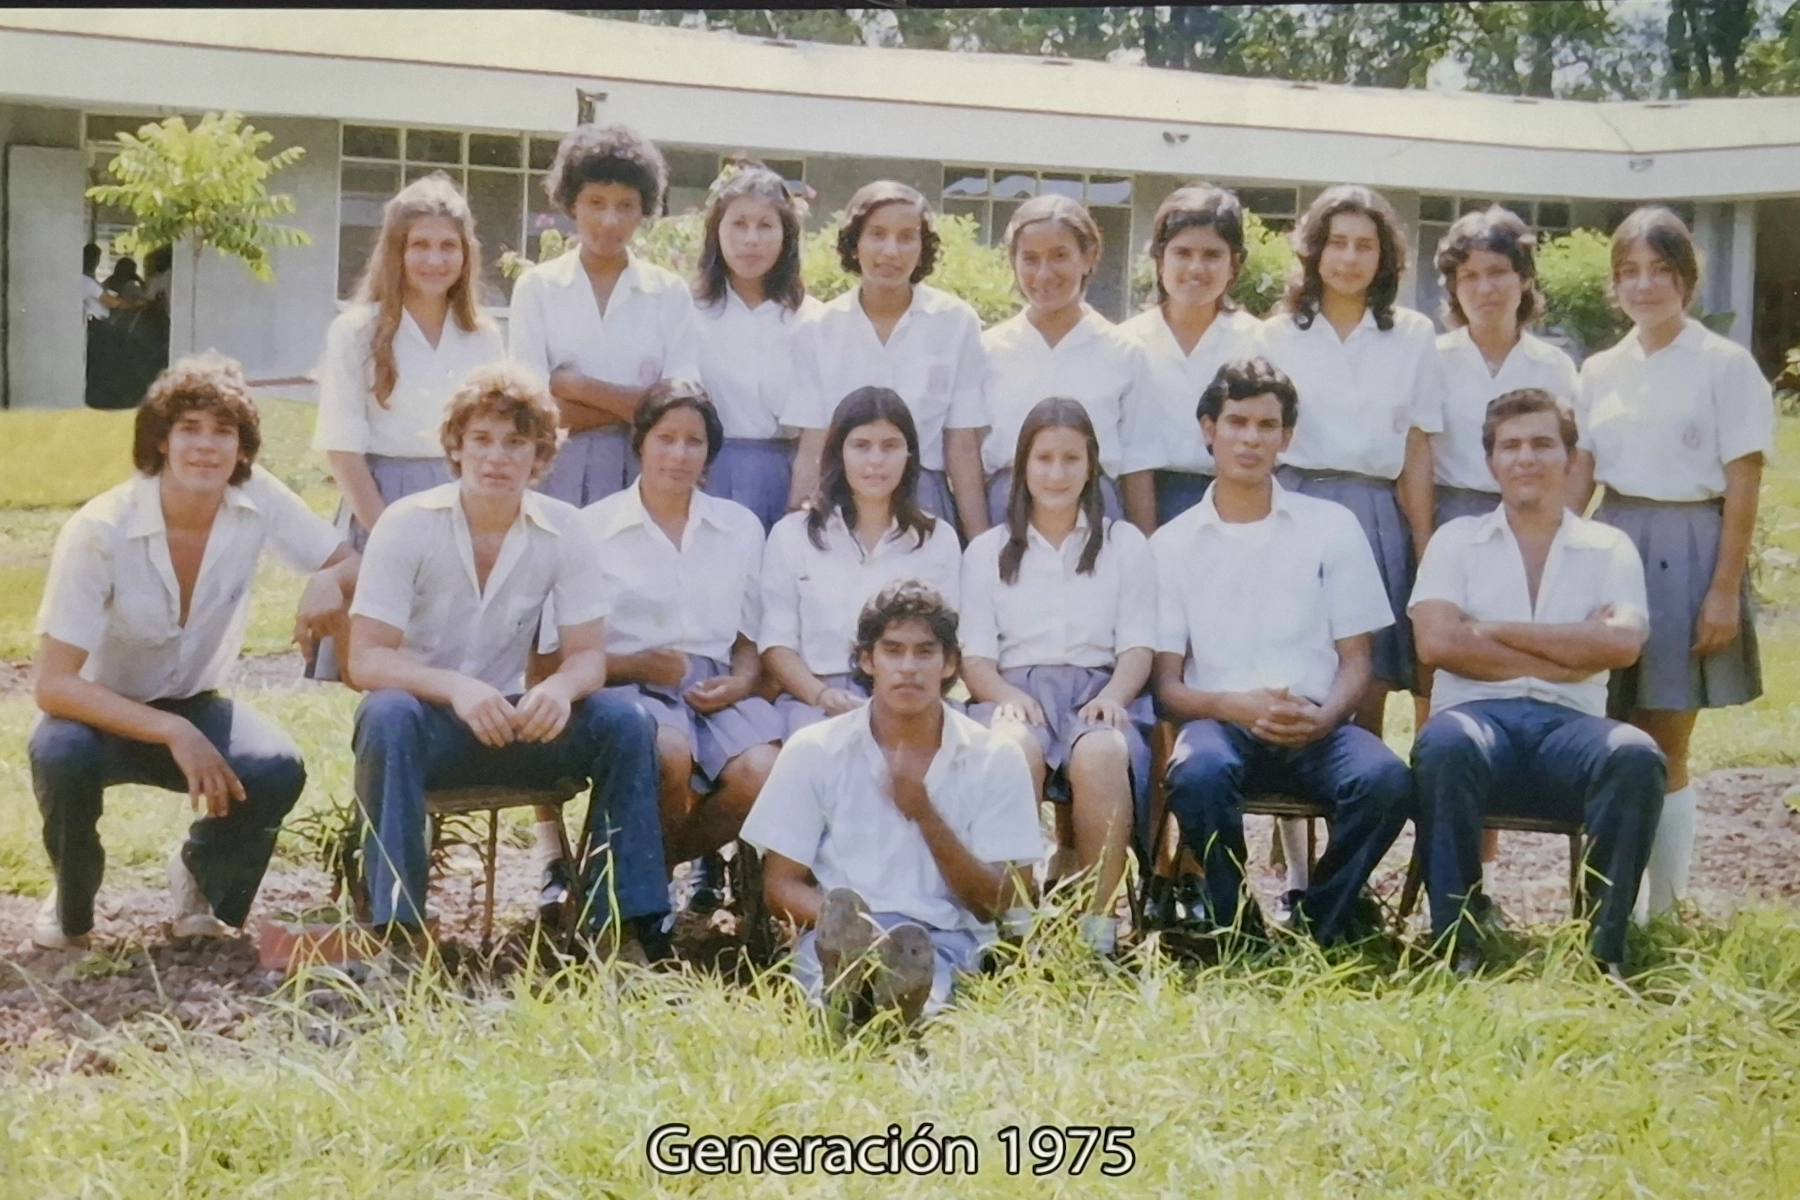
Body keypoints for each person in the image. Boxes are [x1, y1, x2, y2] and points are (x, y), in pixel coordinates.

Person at [28, 355, 358, 950]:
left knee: (276, 767)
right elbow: (54, 685)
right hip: (97, 715)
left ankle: (198, 875)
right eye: (189, 429)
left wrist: (328, 581)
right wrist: (174, 734)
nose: (207, 447)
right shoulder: (100, 528)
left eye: (223, 431)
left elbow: (350, 562)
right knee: (60, 756)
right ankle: (72, 900)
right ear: (160, 439)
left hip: (193, 703)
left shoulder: (255, 496)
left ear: (243, 445)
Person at [345, 363, 670, 957]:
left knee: (628, 722)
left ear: (540, 456)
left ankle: (616, 928)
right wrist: (455, 689)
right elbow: (365, 660)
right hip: (428, 729)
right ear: (456, 448)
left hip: (511, 724)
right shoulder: (406, 524)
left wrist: (559, 691)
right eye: (482, 440)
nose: (497, 458)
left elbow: (587, 658)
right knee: (386, 713)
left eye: (516, 443)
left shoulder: (564, 530)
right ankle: (400, 933)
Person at [1152, 356, 1411, 944]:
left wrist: (1325, 716)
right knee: (1195, 774)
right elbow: (1168, 688)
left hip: (1313, 725)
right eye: (1237, 421)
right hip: (1223, 725)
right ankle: (1235, 923)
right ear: (1208, 428)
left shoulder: (1332, 526)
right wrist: (1235, 707)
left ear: (1287, 437)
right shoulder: (1171, 545)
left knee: (1386, 780)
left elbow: (1357, 661)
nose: (1250, 438)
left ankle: (1321, 919)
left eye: (1267, 426)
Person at [1411, 388, 1665, 978]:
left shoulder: (1608, 546)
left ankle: (1604, 952)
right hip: (1475, 721)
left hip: (1570, 728)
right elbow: (1438, 643)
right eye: (1511, 446)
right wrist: (1568, 646)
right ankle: (1456, 944)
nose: (1527, 458)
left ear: (1570, 459)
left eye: (1543, 444)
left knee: (1635, 755)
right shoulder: (1456, 539)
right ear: (1491, 461)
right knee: (1443, 745)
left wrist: (1492, 630)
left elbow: (1622, 644)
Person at [1571, 206, 1775, 921]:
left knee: (1665, 737)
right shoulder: (1599, 369)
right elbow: (1581, 472)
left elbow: (1744, 481)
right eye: (1629, 272)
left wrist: (1722, 591)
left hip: (1690, 545)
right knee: (1602, 723)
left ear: (1686, 278)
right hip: (1614, 537)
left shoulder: (1725, 363)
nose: (1645, 285)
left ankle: (1662, 906)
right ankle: (1604, 901)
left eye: (1660, 270)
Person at [741, 581, 1040, 1024]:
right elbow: (780, 886)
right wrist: (863, 936)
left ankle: (900, 1014)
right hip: (839, 937)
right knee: (828, 994)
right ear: (867, 660)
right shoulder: (816, 748)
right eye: (892, 650)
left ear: (949, 663)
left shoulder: (993, 756)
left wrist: (922, 810)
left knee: (923, 993)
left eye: (924, 652)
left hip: (943, 938)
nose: (908, 668)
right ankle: (846, 1006)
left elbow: (1001, 902)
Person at [569, 380, 782, 913]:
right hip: (624, 682)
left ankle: (643, 871)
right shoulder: (592, 528)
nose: (679, 454)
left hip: (713, 685)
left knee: (762, 772)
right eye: (666, 438)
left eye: (694, 441)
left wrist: (741, 680)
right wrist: (636, 663)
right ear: (639, 442)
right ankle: (644, 905)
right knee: (667, 754)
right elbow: (566, 648)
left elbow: (750, 636)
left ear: (710, 453)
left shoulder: (739, 527)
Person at [1424, 205, 1582, 901]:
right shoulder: (1432, 357)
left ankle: (1479, 880)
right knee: (1445, 693)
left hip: (1530, 524)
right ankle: (1444, 872)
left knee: (1506, 677)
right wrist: (1428, 544)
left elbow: (1573, 461)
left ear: (1523, 280)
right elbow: (1418, 458)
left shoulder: (1552, 364)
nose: (1485, 288)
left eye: (1499, 272)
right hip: (1454, 518)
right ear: (1453, 287)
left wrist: (1556, 532)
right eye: (1470, 276)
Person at [962, 399, 1155, 956]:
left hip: (1099, 691)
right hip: (1015, 692)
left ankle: (1097, 926)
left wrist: (1115, 696)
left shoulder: (1123, 544)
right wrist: (1005, 696)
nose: (1056, 472)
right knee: (1010, 747)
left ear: (1091, 465)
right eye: (1043, 458)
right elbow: (976, 659)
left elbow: (1138, 644)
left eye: (1071, 458)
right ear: (1023, 465)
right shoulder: (988, 551)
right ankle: (1015, 918)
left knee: (1099, 754)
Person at [1259, 184, 1439, 733]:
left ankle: (1357, 807)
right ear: (1314, 251)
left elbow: (1416, 446)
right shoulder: (1277, 333)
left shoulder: (1412, 334)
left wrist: (1424, 545)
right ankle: (1292, 814)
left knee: (1369, 683)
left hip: (1375, 514)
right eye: (1337, 243)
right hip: (1295, 504)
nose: (1350, 258)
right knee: (1295, 663)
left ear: (1385, 257)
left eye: (1365, 245)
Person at [783, 181, 989, 539]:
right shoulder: (818, 327)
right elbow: (813, 442)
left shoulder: (956, 322)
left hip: (924, 500)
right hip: (842, 502)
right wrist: (798, 525)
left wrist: (981, 544)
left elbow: (962, 445)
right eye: (877, 234)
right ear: (855, 243)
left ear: (923, 247)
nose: (891, 250)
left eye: (907, 237)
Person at [508, 123, 699, 507]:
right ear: (571, 203)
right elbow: (532, 411)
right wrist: (634, 409)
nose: (609, 220)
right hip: (554, 474)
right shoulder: (538, 288)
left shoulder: (668, 293)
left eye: (625, 205)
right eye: (595, 202)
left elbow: (677, 409)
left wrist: (575, 386)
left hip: (645, 476)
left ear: (643, 210)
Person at [314, 173, 504, 552]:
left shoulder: (483, 337)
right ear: (396, 252)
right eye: (420, 245)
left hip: (463, 506)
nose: (435, 259)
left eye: (448, 245)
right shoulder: (356, 332)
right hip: (381, 505)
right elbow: (343, 451)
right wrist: (390, 537)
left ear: (466, 254)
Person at [760, 387, 964, 737]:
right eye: (861, 445)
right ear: (838, 452)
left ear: (910, 455)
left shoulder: (938, 539)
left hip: (912, 698)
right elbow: (777, 644)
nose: (875, 460)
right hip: (816, 702)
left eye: (890, 446)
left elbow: (947, 644)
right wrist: (822, 694)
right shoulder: (791, 535)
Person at [977, 194, 1140, 527]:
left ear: (1089, 258)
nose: (1043, 273)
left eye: (1060, 256)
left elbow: (1138, 464)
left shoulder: (1123, 352)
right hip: (1006, 509)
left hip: (1095, 507)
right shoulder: (988, 350)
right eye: (1030, 259)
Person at [1117, 184, 1266, 533]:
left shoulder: (1258, 341)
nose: (1196, 268)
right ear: (1159, 259)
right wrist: (1148, 540)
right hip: (1143, 503)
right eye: (1182, 253)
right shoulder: (1127, 343)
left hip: (1234, 506)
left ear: (1235, 263)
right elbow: (1134, 458)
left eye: (1212, 255)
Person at [691, 162, 823, 531]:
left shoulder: (812, 320)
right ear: (716, 231)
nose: (751, 240)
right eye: (738, 224)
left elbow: (814, 434)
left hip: (784, 476)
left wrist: (798, 512)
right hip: (703, 474)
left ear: (786, 236)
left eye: (765, 226)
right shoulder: (688, 313)